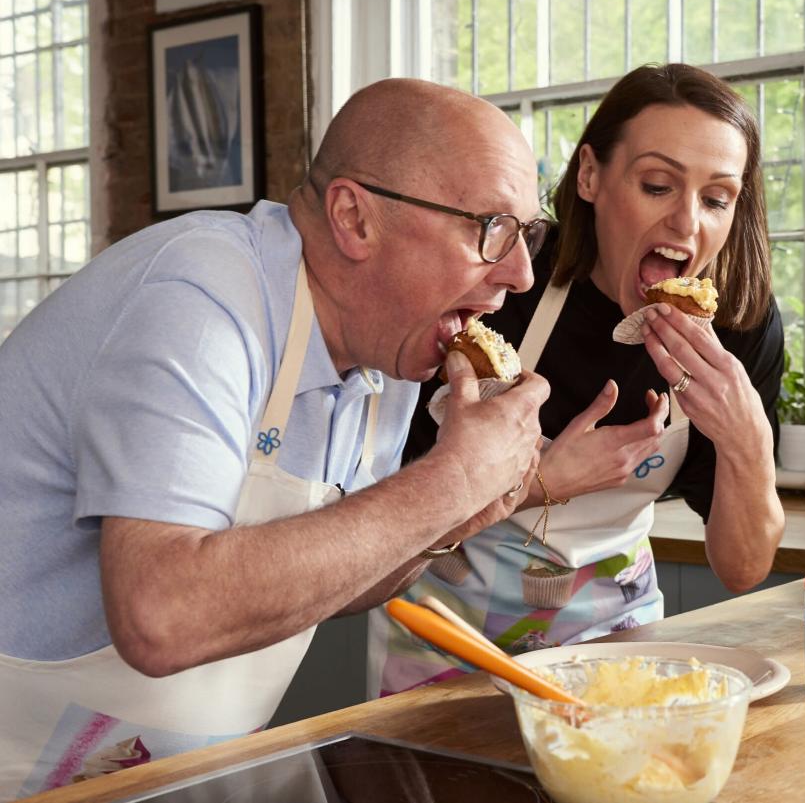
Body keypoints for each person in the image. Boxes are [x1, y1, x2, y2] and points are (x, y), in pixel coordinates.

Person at [0, 78, 551, 799]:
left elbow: (336, 575)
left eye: (529, 234)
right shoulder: (200, 299)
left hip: (168, 775)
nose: (522, 272)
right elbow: (161, 616)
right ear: (355, 217)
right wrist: (449, 480)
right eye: (492, 228)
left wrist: (461, 512)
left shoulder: (393, 349)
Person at [370, 63, 786, 696]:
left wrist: (746, 434)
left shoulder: (739, 326)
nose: (686, 223)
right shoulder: (502, 279)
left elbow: (742, 568)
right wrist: (540, 482)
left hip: (620, 639)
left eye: (716, 198)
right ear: (590, 175)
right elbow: (380, 512)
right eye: (657, 185)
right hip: (452, 641)